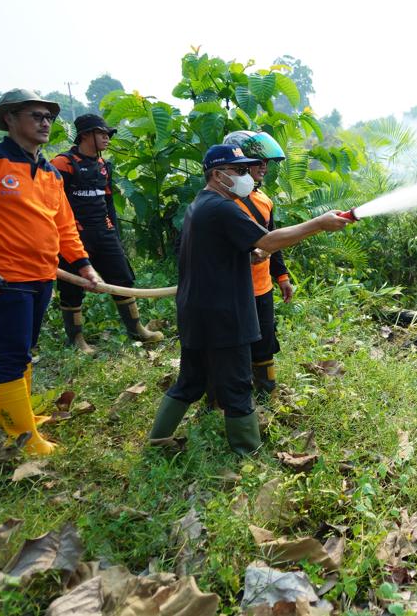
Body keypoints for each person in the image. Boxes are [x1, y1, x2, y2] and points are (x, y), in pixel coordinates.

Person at [147, 144, 351, 454]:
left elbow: (219, 250)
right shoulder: (223, 207)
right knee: (238, 385)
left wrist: (248, 255)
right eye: (240, 170)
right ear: (218, 175)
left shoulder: (200, 204)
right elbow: (268, 240)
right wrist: (319, 224)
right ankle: (247, 453)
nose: (248, 177)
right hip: (224, 313)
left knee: (191, 379)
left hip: (197, 309)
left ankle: (158, 439)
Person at [0, 89, 103, 455]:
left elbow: (64, 225)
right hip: (5, 278)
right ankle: (20, 437)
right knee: (9, 354)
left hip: (41, 275)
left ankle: (22, 418)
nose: (44, 123)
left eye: (48, 117)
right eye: (35, 116)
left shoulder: (49, 173)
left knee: (24, 349)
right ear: (9, 119)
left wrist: (84, 265)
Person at [52, 114, 164, 352]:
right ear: (85, 135)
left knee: (122, 277)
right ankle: (76, 340)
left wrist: (114, 232)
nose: (107, 138)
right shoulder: (62, 164)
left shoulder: (103, 166)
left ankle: (137, 330)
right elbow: (52, 203)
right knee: (71, 288)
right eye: (102, 134)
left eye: (108, 134)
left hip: (104, 233)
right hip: (73, 236)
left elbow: (108, 202)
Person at [222, 130, 292, 403]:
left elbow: (273, 241)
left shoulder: (264, 200)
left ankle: (267, 393)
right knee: (233, 344)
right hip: (233, 290)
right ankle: (224, 398)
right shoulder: (221, 202)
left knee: (264, 341)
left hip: (262, 287)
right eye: (257, 161)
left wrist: (282, 277)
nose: (264, 167)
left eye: (266, 162)